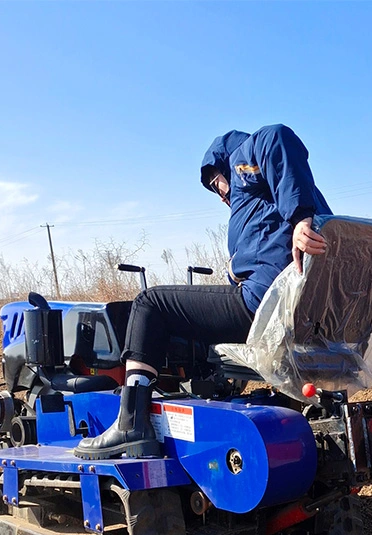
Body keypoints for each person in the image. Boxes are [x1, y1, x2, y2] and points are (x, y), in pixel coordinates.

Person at [75, 124, 332, 460]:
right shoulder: (268, 199)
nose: (220, 193)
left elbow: (276, 137)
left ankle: (131, 422)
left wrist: (300, 219)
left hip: (265, 303)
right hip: (303, 310)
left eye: (216, 183)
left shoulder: (247, 159)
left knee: (150, 303)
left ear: (224, 167)